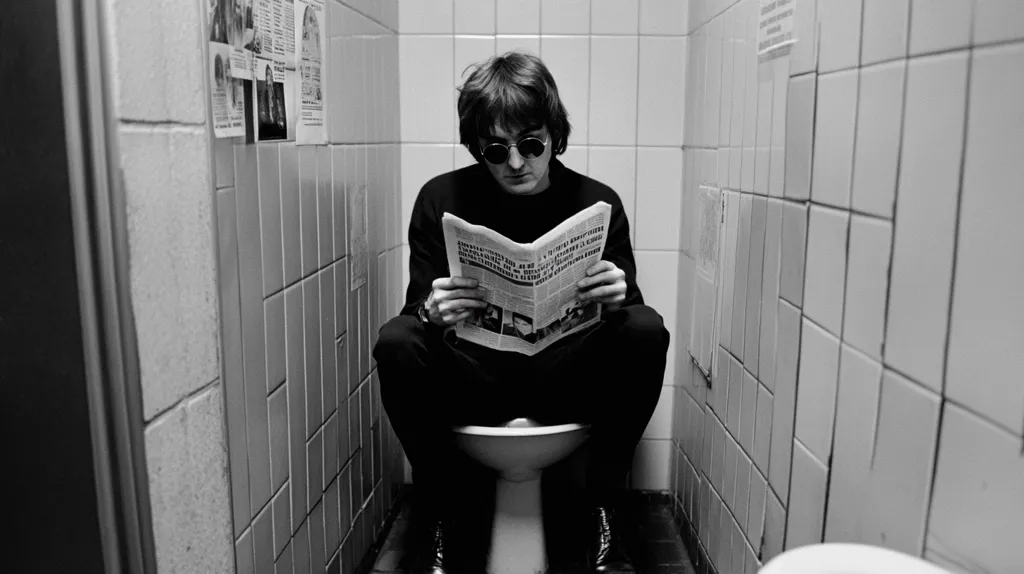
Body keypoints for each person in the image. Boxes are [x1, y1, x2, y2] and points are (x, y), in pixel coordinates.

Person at [373, 51, 669, 574]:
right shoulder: (440, 199)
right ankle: (440, 509)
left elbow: (631, 320)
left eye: (531, 144)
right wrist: (429, 310)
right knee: (397, 339)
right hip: (475, 378)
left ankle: (603, 506)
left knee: (647, 329)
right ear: (476, 148)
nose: (515, 163)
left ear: (555, 135)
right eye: (495, 150)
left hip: (566, 378)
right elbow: (416, 315)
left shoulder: (597, 204)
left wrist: (620, 292)